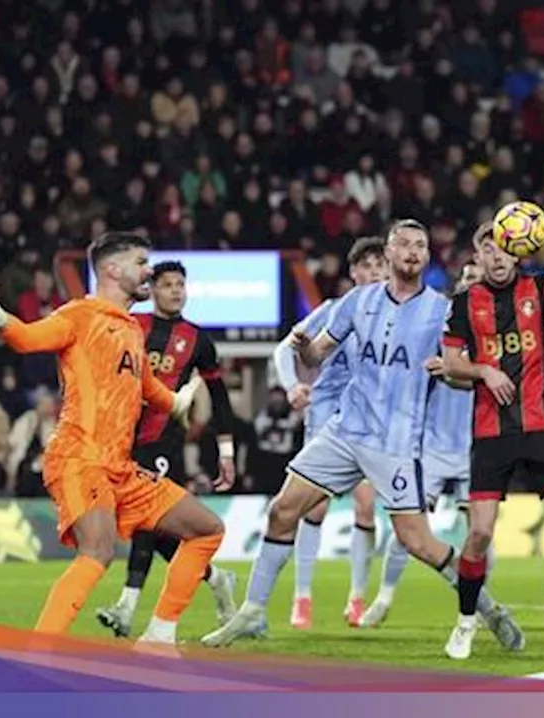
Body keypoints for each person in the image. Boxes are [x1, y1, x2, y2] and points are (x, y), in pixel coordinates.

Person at [202, 220, 525, 654]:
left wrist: (454, 371)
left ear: (427, 257)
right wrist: (302, 349)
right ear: (390, 253)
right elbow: (319, 353)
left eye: (420, 246)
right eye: (404, 244)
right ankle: (253, 612)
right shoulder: (359, 301)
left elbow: (465, 376)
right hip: (344, 431)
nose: (412, 251)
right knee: (282, 511)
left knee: (419, 543)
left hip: (396, 444)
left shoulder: (443, 312)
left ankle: (489, 609)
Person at [0, 232, 226, 646]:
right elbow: (26, 338)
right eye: (142, 262)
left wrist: (180, 402)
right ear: (112, 269)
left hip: (120, 468)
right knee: (98, 552)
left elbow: (151, 391)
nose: (150, 270)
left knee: (206, 529)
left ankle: (159, 638)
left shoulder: (131, 330)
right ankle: (37, 657)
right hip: (80, 457)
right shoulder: (80, 316)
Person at [442, 224, 544, 659]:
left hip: (539, 429)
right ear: (477, 257)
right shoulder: (463, 304)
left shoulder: (537, 290)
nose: (496, 258)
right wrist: (484, 371)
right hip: (490, 432)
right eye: (487, 251)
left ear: (518, 253)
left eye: (503, 250)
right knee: (478, 533)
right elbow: (451, 362)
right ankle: (464, 624)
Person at [95, 260, 240, 638]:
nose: (176, 290)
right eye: (168, 284)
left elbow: (220, 398)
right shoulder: (131, 326)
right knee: (160, 532)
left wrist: (226, 451)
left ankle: (127, 607)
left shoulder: (197, 340)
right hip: (119, 439)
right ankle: (217, 578)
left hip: (163, 441)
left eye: (181, 284)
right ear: (153, 290)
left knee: (146, 518)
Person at [359, 261, 483, 628]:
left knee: (480, 533)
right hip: (431, 445)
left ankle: (474, 608)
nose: (473, 285)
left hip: (477, 448)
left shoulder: (495, 334)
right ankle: (383, 598)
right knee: (409, 529)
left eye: (478, 280)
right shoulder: (437, 328)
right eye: (468, 278)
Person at [273, 237, 388, 629]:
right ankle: (302, 597)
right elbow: (283, 349)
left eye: (379, 266)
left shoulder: (396, 316)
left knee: (366, 506)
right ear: (353, 273)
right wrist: (292, 385)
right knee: (315, 506)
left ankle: (356, 597)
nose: (374, 273)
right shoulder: (333, 310)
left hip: (370, 421)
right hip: (326, 413)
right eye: (366, 267)